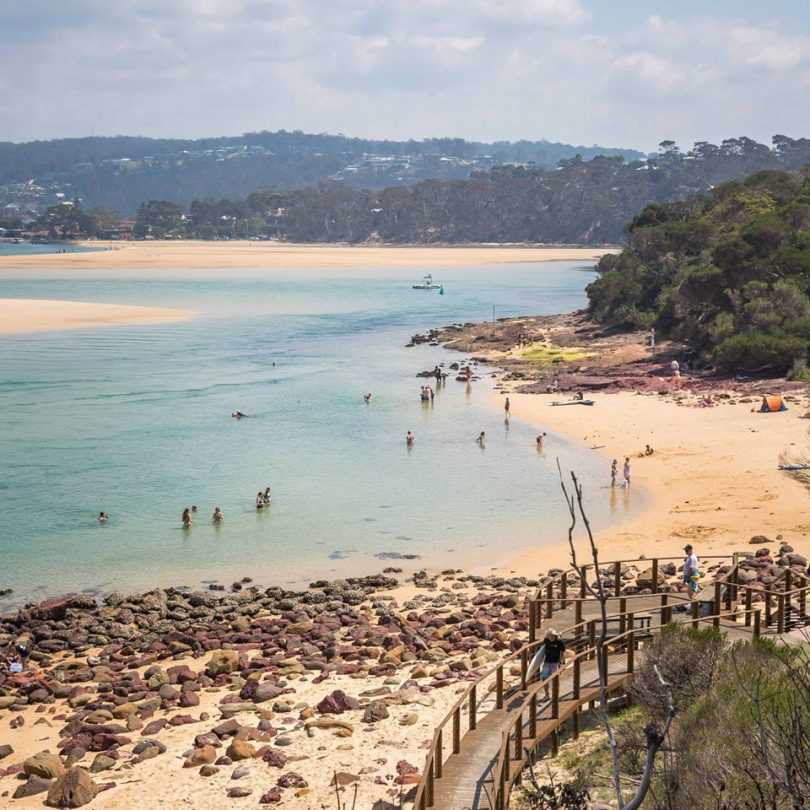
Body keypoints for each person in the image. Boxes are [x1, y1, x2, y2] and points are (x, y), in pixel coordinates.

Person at [540, 629, 566, 700]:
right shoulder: (546, 640)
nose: (552, 637)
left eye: (553, 636)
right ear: (548, 636)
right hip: (547, 662)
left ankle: (556, 695)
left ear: (555, 636)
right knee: (544, 678)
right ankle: (547, 694)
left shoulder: (559, 642)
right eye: (550, 635)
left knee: (555, 679)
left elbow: (564, 651)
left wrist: (562, 660)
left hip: (556, 663)